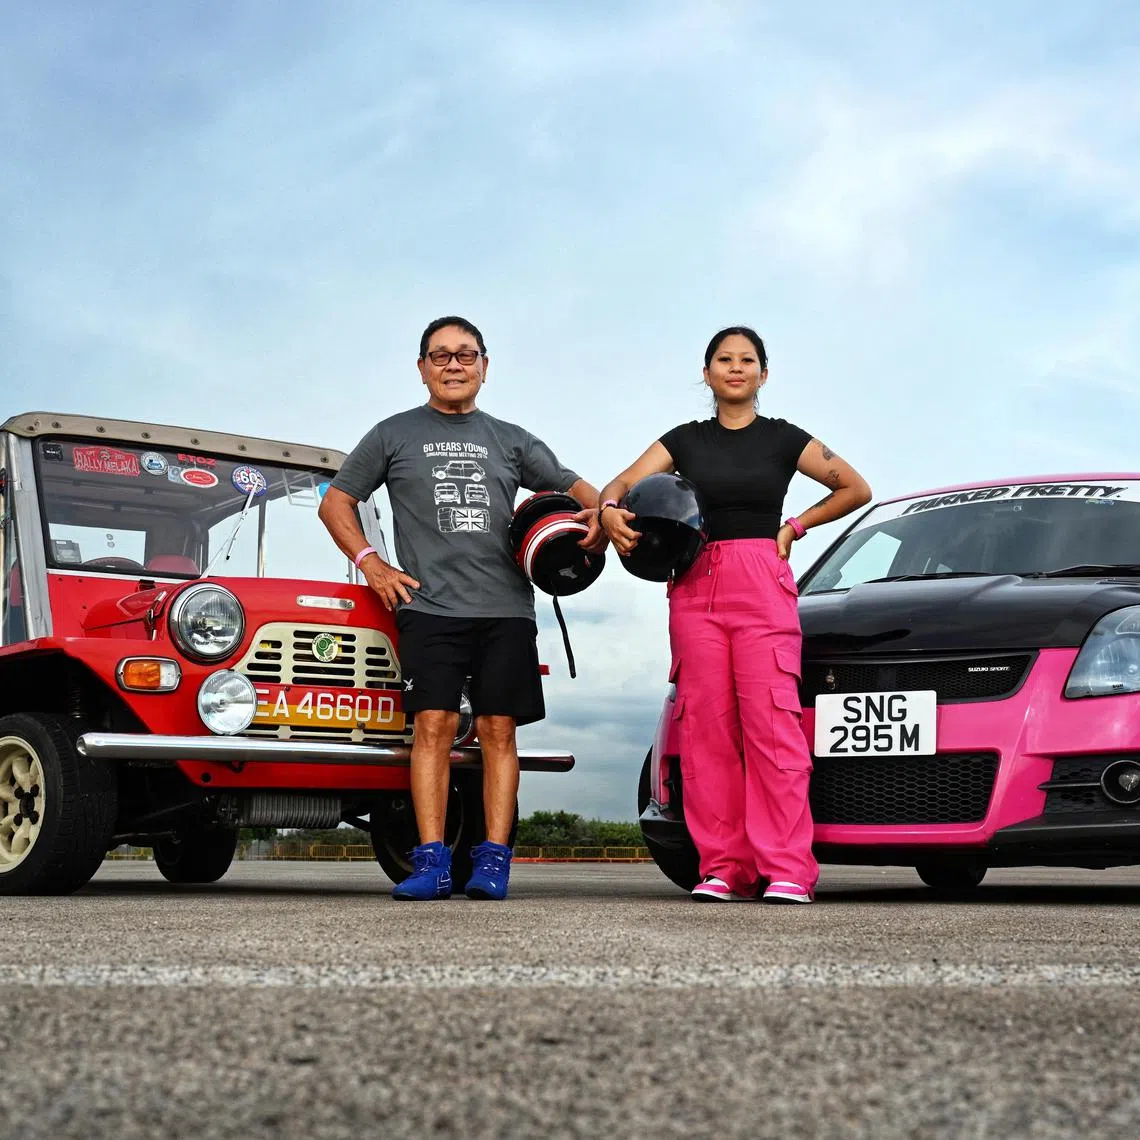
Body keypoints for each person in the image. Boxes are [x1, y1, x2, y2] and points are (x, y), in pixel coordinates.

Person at [319, 316, 604, 901]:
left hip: (506, 611)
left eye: (465, 355)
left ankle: (494, 862)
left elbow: (580, 490)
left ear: (484, 366)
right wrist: (372, 563)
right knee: (434, 728)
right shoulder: (392, 434)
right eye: (440, 355)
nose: (454, 364)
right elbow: (337, 501)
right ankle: (430, 863)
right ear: (422, 367)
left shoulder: (512, 439)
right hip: (428, 607)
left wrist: (604, 523)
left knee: (499, 732)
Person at [598, 326, 871, 904]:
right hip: (694, 584)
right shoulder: (684, 440)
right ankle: (724, 867)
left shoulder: (783, 439)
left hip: (761, 578)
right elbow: (622, 482)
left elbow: (855, 487)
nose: (736, 368)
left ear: (763, 375)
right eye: (724, 359)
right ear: (707, 374)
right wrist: (608, 509)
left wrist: (794, 527)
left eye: (748, 360)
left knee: (772, 729)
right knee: (707, 732)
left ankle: (788, 868)